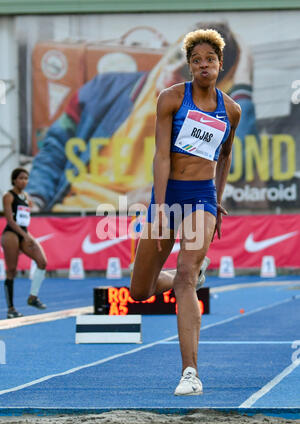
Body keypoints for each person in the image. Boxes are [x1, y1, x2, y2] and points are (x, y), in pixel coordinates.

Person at [25, 22, 251, 213]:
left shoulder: (207, 119)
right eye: (176, 57)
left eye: (187, 71)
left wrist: (241, 85)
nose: (171, 70)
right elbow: (54, 148)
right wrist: (35, 198)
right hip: (72, 217)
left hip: (141, 223)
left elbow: (239, 161)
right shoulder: (102, 89)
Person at [130, 29, 241, 395]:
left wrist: (218, 200)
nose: (204, 65)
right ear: (190, 66)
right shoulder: (172, 99)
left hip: (201, 200)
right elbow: (161, 156)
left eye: (210, 59)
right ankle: (184, 278)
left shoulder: (232, 111)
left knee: (185, 279)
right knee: (140, 291)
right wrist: (160, 207)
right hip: (169, 195)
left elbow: (224, 156)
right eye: (197, 60)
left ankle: (190, 373)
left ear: (219, 64)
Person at [1, 168, 47, 318]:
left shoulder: (26, 196)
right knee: (12, 271)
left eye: (26, 178)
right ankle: (11, 309)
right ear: (14, 180)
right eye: (21, 178)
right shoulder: (8, 196)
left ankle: (33, 297)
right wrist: (25, 236)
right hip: (11, 234)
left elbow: (24, 216)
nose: (24, 181)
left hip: (23, 233)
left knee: (42, 262)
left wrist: (28, 205)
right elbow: (10, 220)